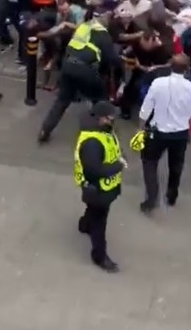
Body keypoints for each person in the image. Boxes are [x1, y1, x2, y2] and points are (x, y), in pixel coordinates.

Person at [38, 14, 121, 143]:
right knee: (100, 98)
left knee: (62, 101)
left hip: (67, 65)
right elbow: (111, 59)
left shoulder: (84, 27)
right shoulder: (103, 34)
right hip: (85, 69)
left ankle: (45, 130)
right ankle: (106, 130)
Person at [137, 54, 191, 214]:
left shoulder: (158, 83)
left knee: (149, 162)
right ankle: (172, 195)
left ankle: (152, 198)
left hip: (157, 132)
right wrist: (189, 132)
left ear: (170, 66)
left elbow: (146, 108)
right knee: (176, 165)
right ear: (187, 69)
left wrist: (140, 128)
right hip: (180, 133)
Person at [74, 100, 127, 273]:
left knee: (93, 213)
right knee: (100, 223)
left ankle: (85, 224)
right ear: (101, 118)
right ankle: (99, 256)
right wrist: (118, 165)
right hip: (98, 190)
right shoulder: (92, 143)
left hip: (103, 189)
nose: (113, 119)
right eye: (110, 117)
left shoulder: (102, 131)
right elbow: (94, 171)